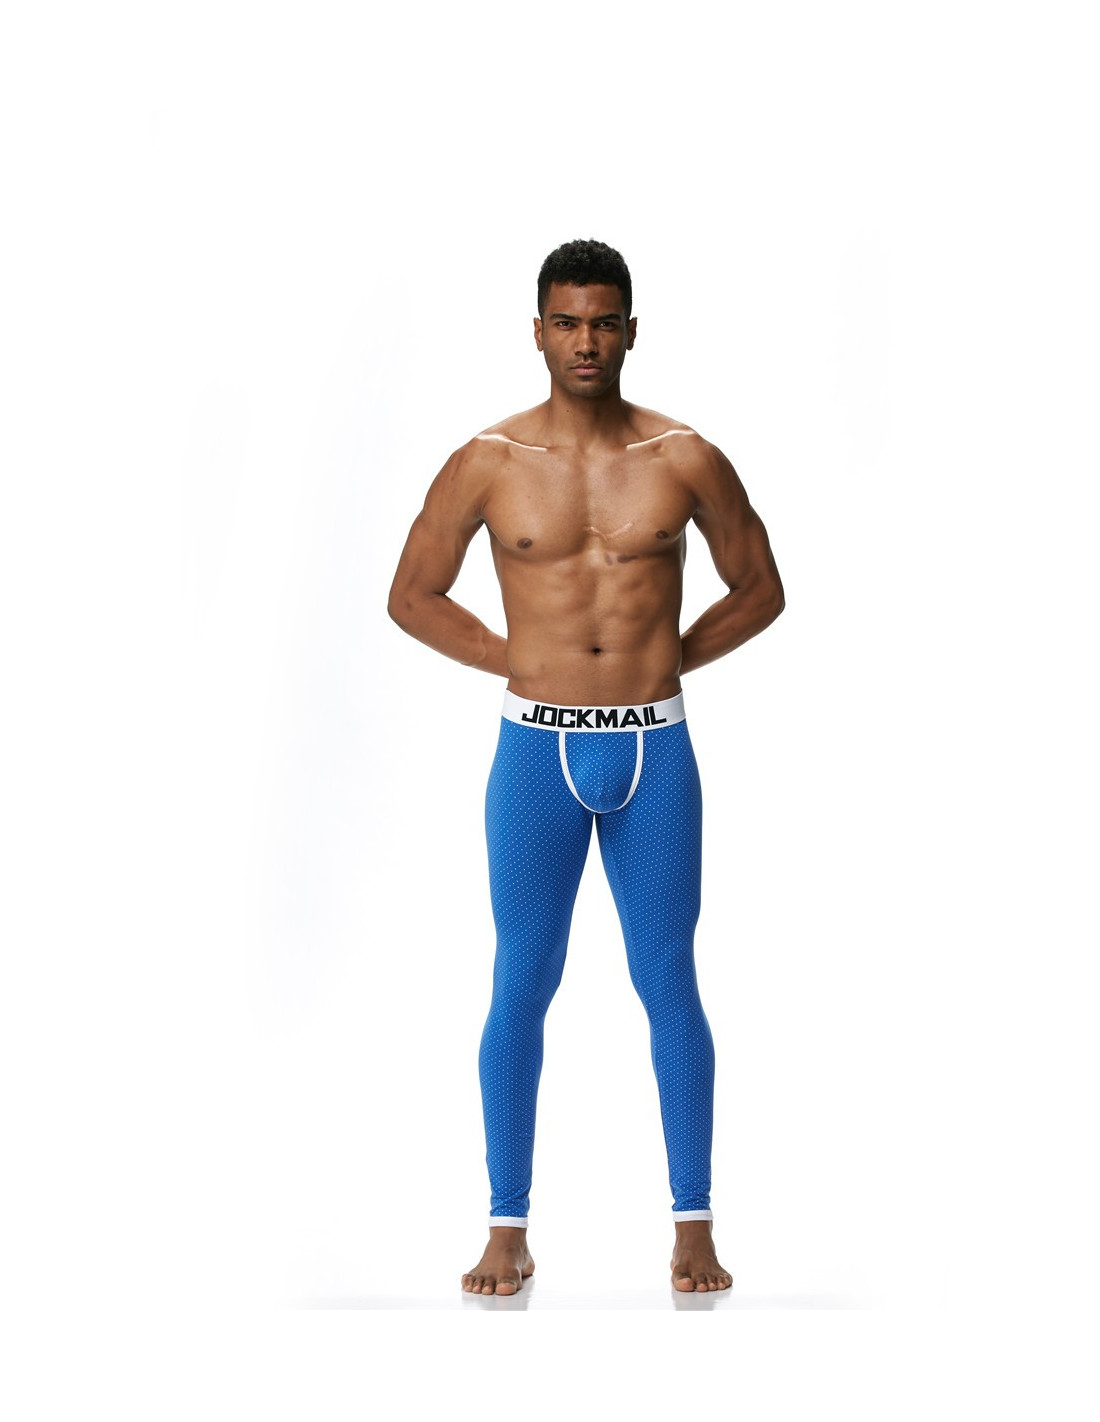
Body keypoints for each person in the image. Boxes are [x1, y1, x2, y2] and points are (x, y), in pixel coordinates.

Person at [388, 238, 784, 1295]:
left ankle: (693, 1226)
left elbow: (760, 588)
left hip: (655, 746)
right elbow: (411, 594)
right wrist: (513, 656)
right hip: (536, 749)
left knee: (668, 980)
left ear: (631, 331)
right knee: (521, 980)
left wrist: (671, 659)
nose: (585, 341)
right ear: (537, 331)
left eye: (604, 322)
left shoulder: (684, 457)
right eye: (566, 322)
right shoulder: (487, 461)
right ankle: (505, 1227)